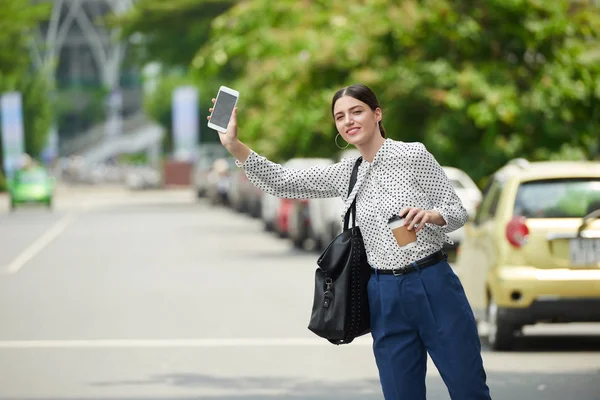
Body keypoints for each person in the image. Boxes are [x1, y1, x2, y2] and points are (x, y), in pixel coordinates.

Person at [208, 83, 491, 400]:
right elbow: (284, 182)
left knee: (469, 389)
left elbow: (456, 211)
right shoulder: (348, 172)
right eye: (340, 116)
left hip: (432, 283)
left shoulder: (412, 155)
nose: (349, 120)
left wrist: (431, 215)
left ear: (377, 114)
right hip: (384, 294)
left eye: (357, 111)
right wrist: (234, 146)